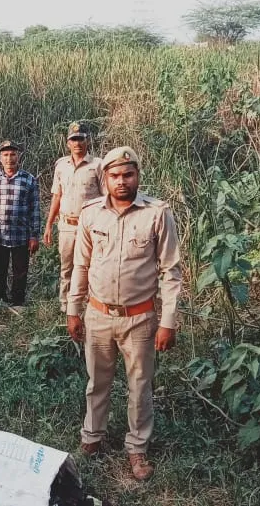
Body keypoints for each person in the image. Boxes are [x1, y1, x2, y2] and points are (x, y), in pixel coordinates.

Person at [67, 146, 183, 481]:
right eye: (115, 175)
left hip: (141, 319)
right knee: (97, 381)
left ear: (138, 176)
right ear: (105, 178)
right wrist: (73, 310)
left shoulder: (157, 213)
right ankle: (92, 437)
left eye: (128, 175)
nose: (121, 182)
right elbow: (81, 265)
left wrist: (168, 322)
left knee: (139, 385)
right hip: (98, 314)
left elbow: (171, 272)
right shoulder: (91, 214)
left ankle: (137, 449)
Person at [42, 122, 103, 315]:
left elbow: (105, 199)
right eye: (73, 139)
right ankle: (65, 304)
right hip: (67, 225)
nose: (77, 143)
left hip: (90, 227)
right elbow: (57, 196)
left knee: (90, 266)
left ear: (87, 140)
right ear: (68, 143)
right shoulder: (61, 166)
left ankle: (88, 304)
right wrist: (49, 224)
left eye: (81, 139)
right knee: (67, 266)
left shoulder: (98, 165)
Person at [0, 140, 40, 313]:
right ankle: (0, 300)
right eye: (5, 155)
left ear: (18, 157)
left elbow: (35, 209)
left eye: (12, 154)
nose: (9, 158)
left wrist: (34, 235)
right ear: (0, 158)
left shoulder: (29, 180)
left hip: (21, 235)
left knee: (20, 271)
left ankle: (18, 302)